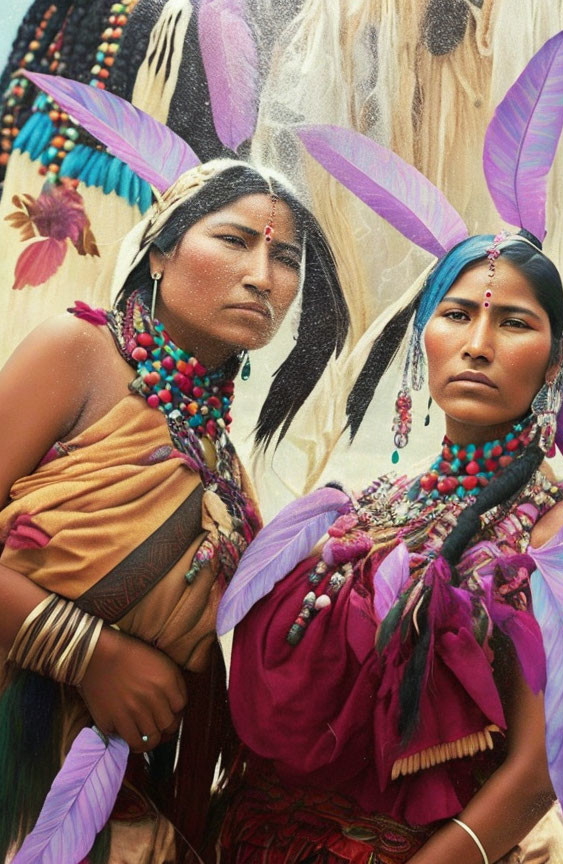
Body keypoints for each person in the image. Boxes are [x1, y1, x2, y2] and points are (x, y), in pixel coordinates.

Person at [216, 231, 563, 864]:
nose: (478, 345)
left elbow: (540, 769)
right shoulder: (372, 501)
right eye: (458, 315)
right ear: (424, 337)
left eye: (514, 322)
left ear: (554, 363)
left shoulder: (556, 532)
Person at [0, 157, 349, 863]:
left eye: (285, 257)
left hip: (115, 794)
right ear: (160, 250)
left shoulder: (221, 465)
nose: (262, 275)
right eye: (235, 240)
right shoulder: (77, 353)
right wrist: (93, 656)